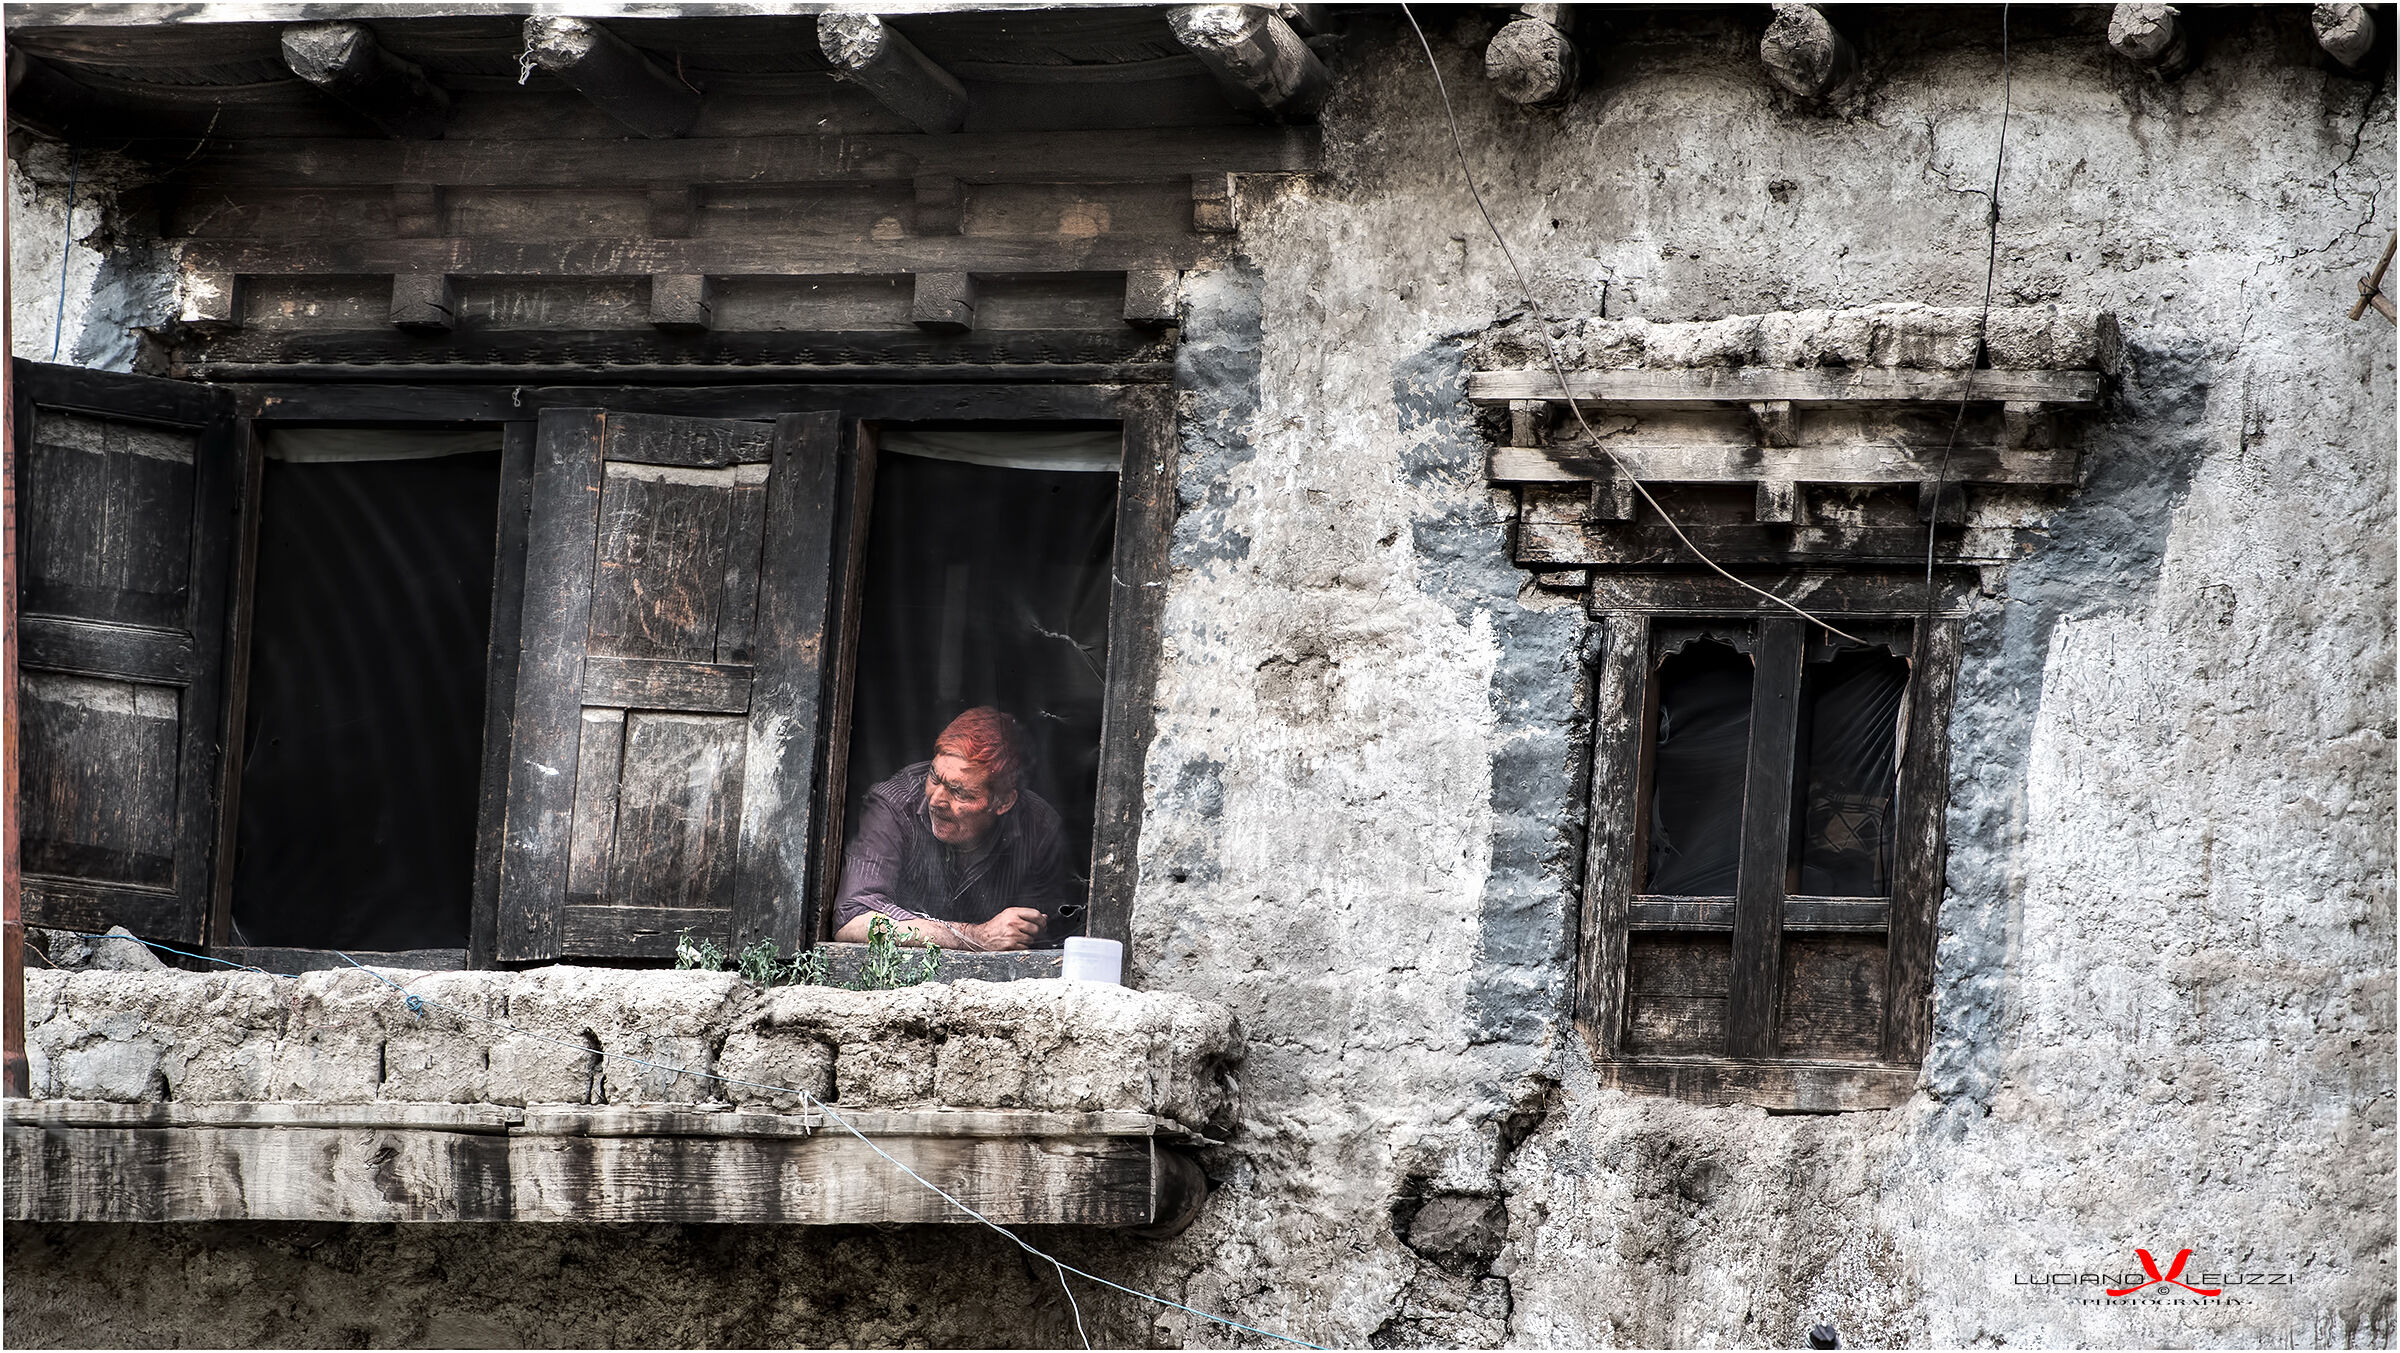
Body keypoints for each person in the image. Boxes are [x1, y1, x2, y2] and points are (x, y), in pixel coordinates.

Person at [832, 706, 1065, 951]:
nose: (935, 801)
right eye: (934, 777)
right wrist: (974, 937)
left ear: (1003, 802)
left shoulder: (1039, 827)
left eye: (958, 791)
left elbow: (1048, 940)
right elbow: (853, 919)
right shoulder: (895, 805)